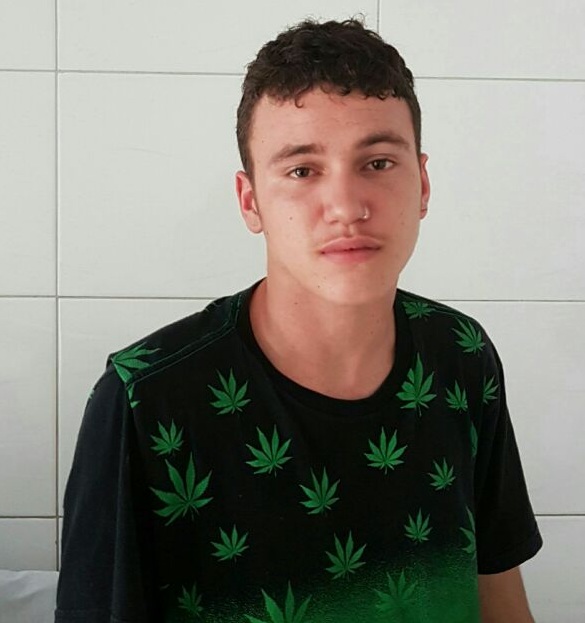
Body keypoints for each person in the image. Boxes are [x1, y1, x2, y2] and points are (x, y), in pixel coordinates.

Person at [55, 18, 542, 623]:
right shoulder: (142, 399)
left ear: (422, 184)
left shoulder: (463, 353)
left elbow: (497, 589)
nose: (346, 207)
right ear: (250, 201)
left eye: (378, 162)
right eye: (302, 170)